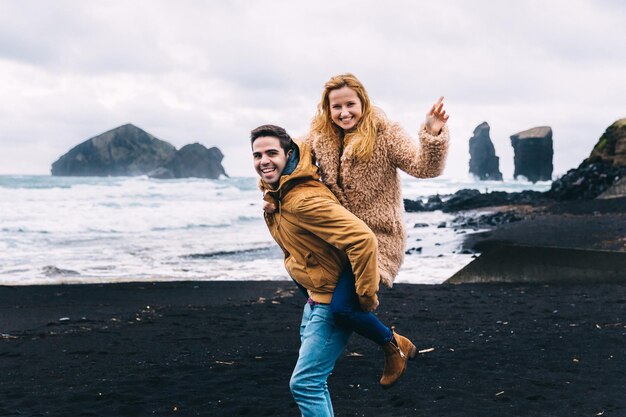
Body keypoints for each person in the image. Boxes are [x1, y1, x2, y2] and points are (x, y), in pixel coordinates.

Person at [251, 125, 416, 416]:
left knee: (305, 383)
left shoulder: (303, 200)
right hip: (314, 301)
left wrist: (364, 298)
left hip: (329, 303)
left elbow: (363, 240)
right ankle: (393, 341)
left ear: (289, 154)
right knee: (313, 382)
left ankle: (392, 344)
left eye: (271, 153)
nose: (264, 160)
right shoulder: (279, 195)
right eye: (257, 154)